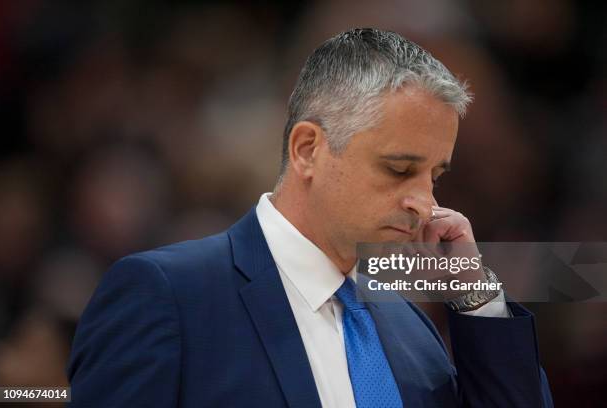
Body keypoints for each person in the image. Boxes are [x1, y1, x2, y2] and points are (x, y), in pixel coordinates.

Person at [67, 28, 553, 407]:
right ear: (307, 150)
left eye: (435, 177)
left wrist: (475, 295)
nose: (424, 203)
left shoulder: (412, 329)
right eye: (399, 169)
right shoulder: (167, 296)